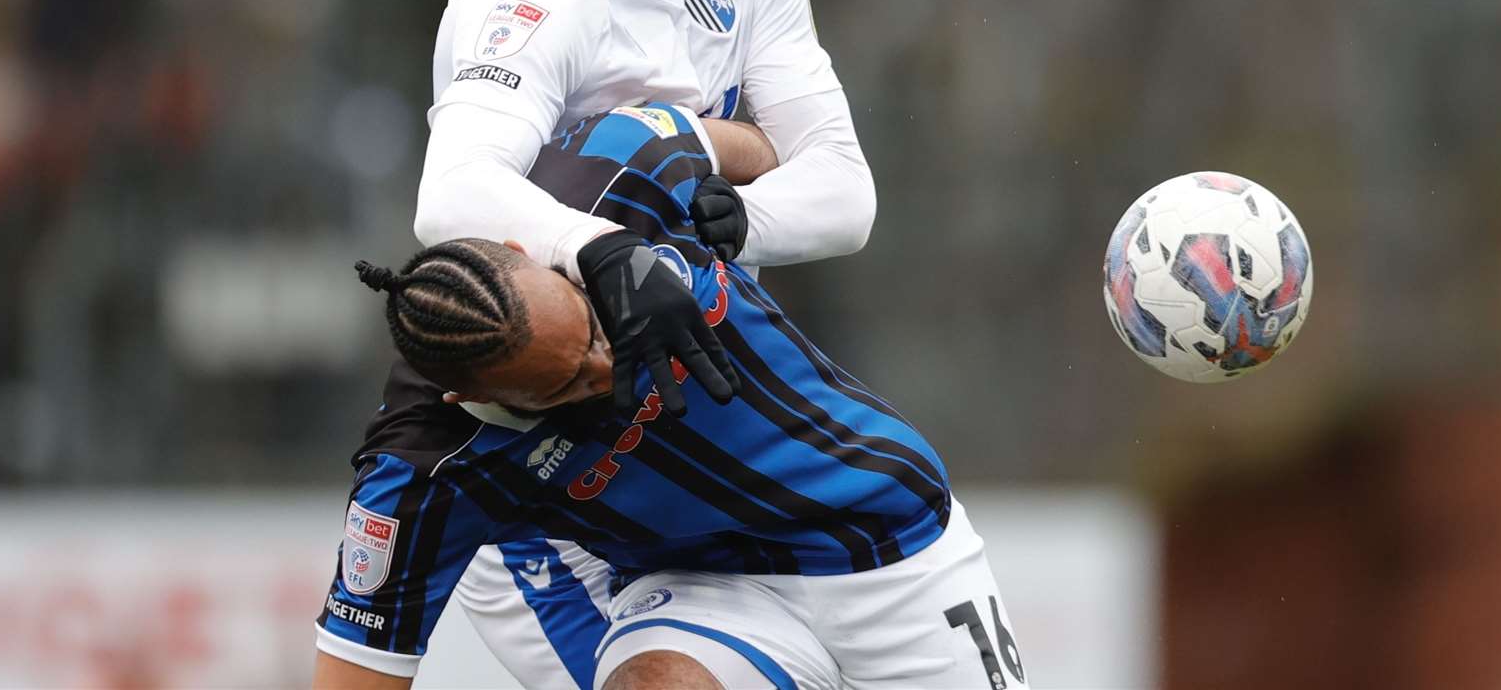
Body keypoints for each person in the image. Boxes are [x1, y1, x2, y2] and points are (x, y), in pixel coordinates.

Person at [408, 0, 877, 685]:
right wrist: (629, 239)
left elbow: (843, 189)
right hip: (563, 489)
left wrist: (721, 196)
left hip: (710, 443)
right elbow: (451, 196)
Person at [314, 105, 1027, 690]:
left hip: (891, 545)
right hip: (706, 590)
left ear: (525, 249)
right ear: (462, 395)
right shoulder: (421, 476)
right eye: (564, 387)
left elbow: (793, 153)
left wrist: (754, 206)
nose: (608, 369)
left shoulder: (618, 164)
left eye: (595, 329)